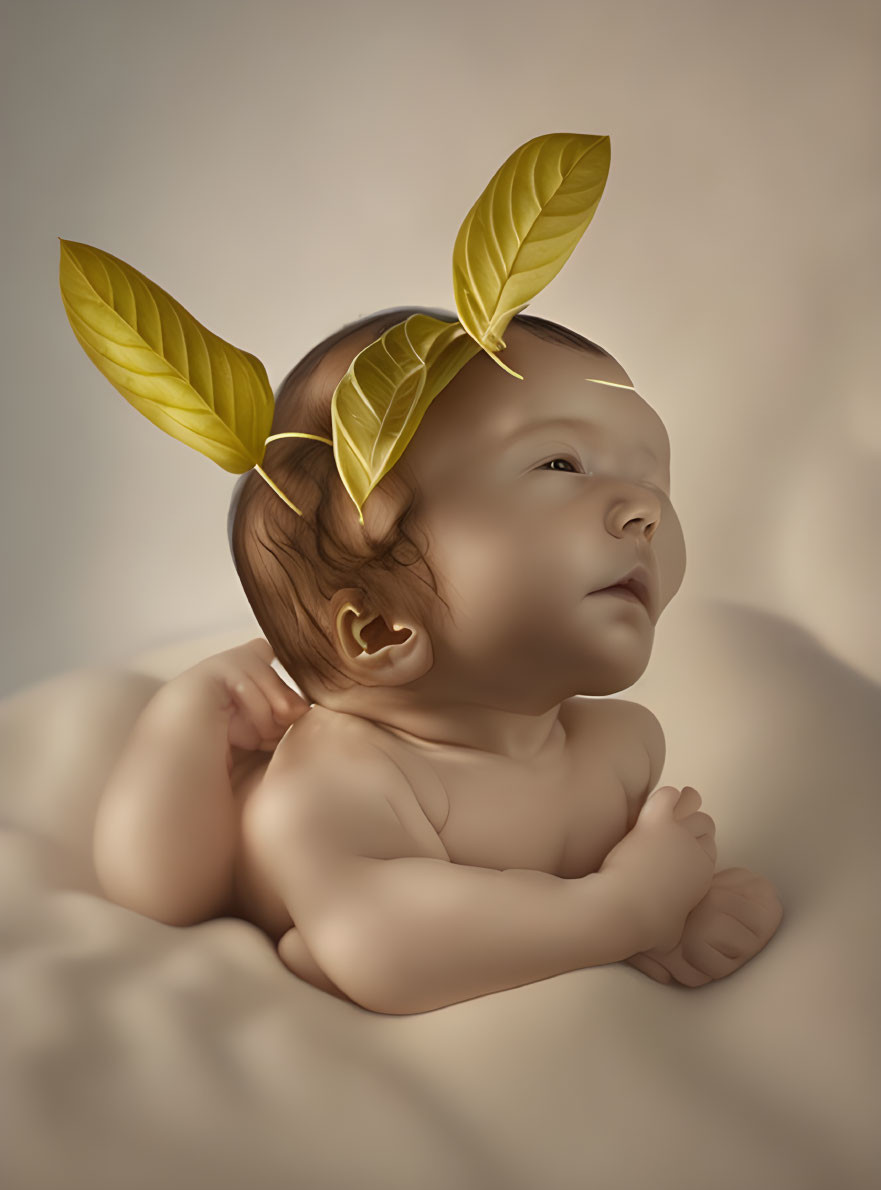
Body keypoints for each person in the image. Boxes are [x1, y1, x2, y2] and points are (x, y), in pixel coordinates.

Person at [92, 311, 783, 1015]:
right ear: (382, 630)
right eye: (559, 464)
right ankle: (189, 715)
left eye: (652, 479)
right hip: (224, 832)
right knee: (161, 888)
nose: (645, 509)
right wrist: (621, 912)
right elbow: (379, 950)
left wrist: (667, 904)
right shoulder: (335, 785)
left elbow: (596, 891)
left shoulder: (622, 747)